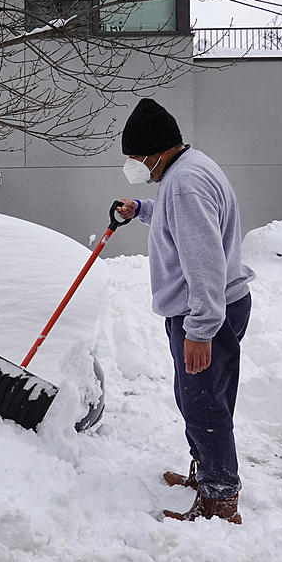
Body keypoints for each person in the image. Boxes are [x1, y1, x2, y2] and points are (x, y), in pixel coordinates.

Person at [115, 98, 255, 524]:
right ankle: (206, 473)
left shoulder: (186, 183)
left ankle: (219, 501)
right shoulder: (187, 170)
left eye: (136, 157)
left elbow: (205, 262)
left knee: (203, 405)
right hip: (212, 308)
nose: (134, 165)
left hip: (206, 312)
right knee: (200, 399)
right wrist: (142, 210)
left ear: (157, 151)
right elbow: (184, 223)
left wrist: (200, 330)